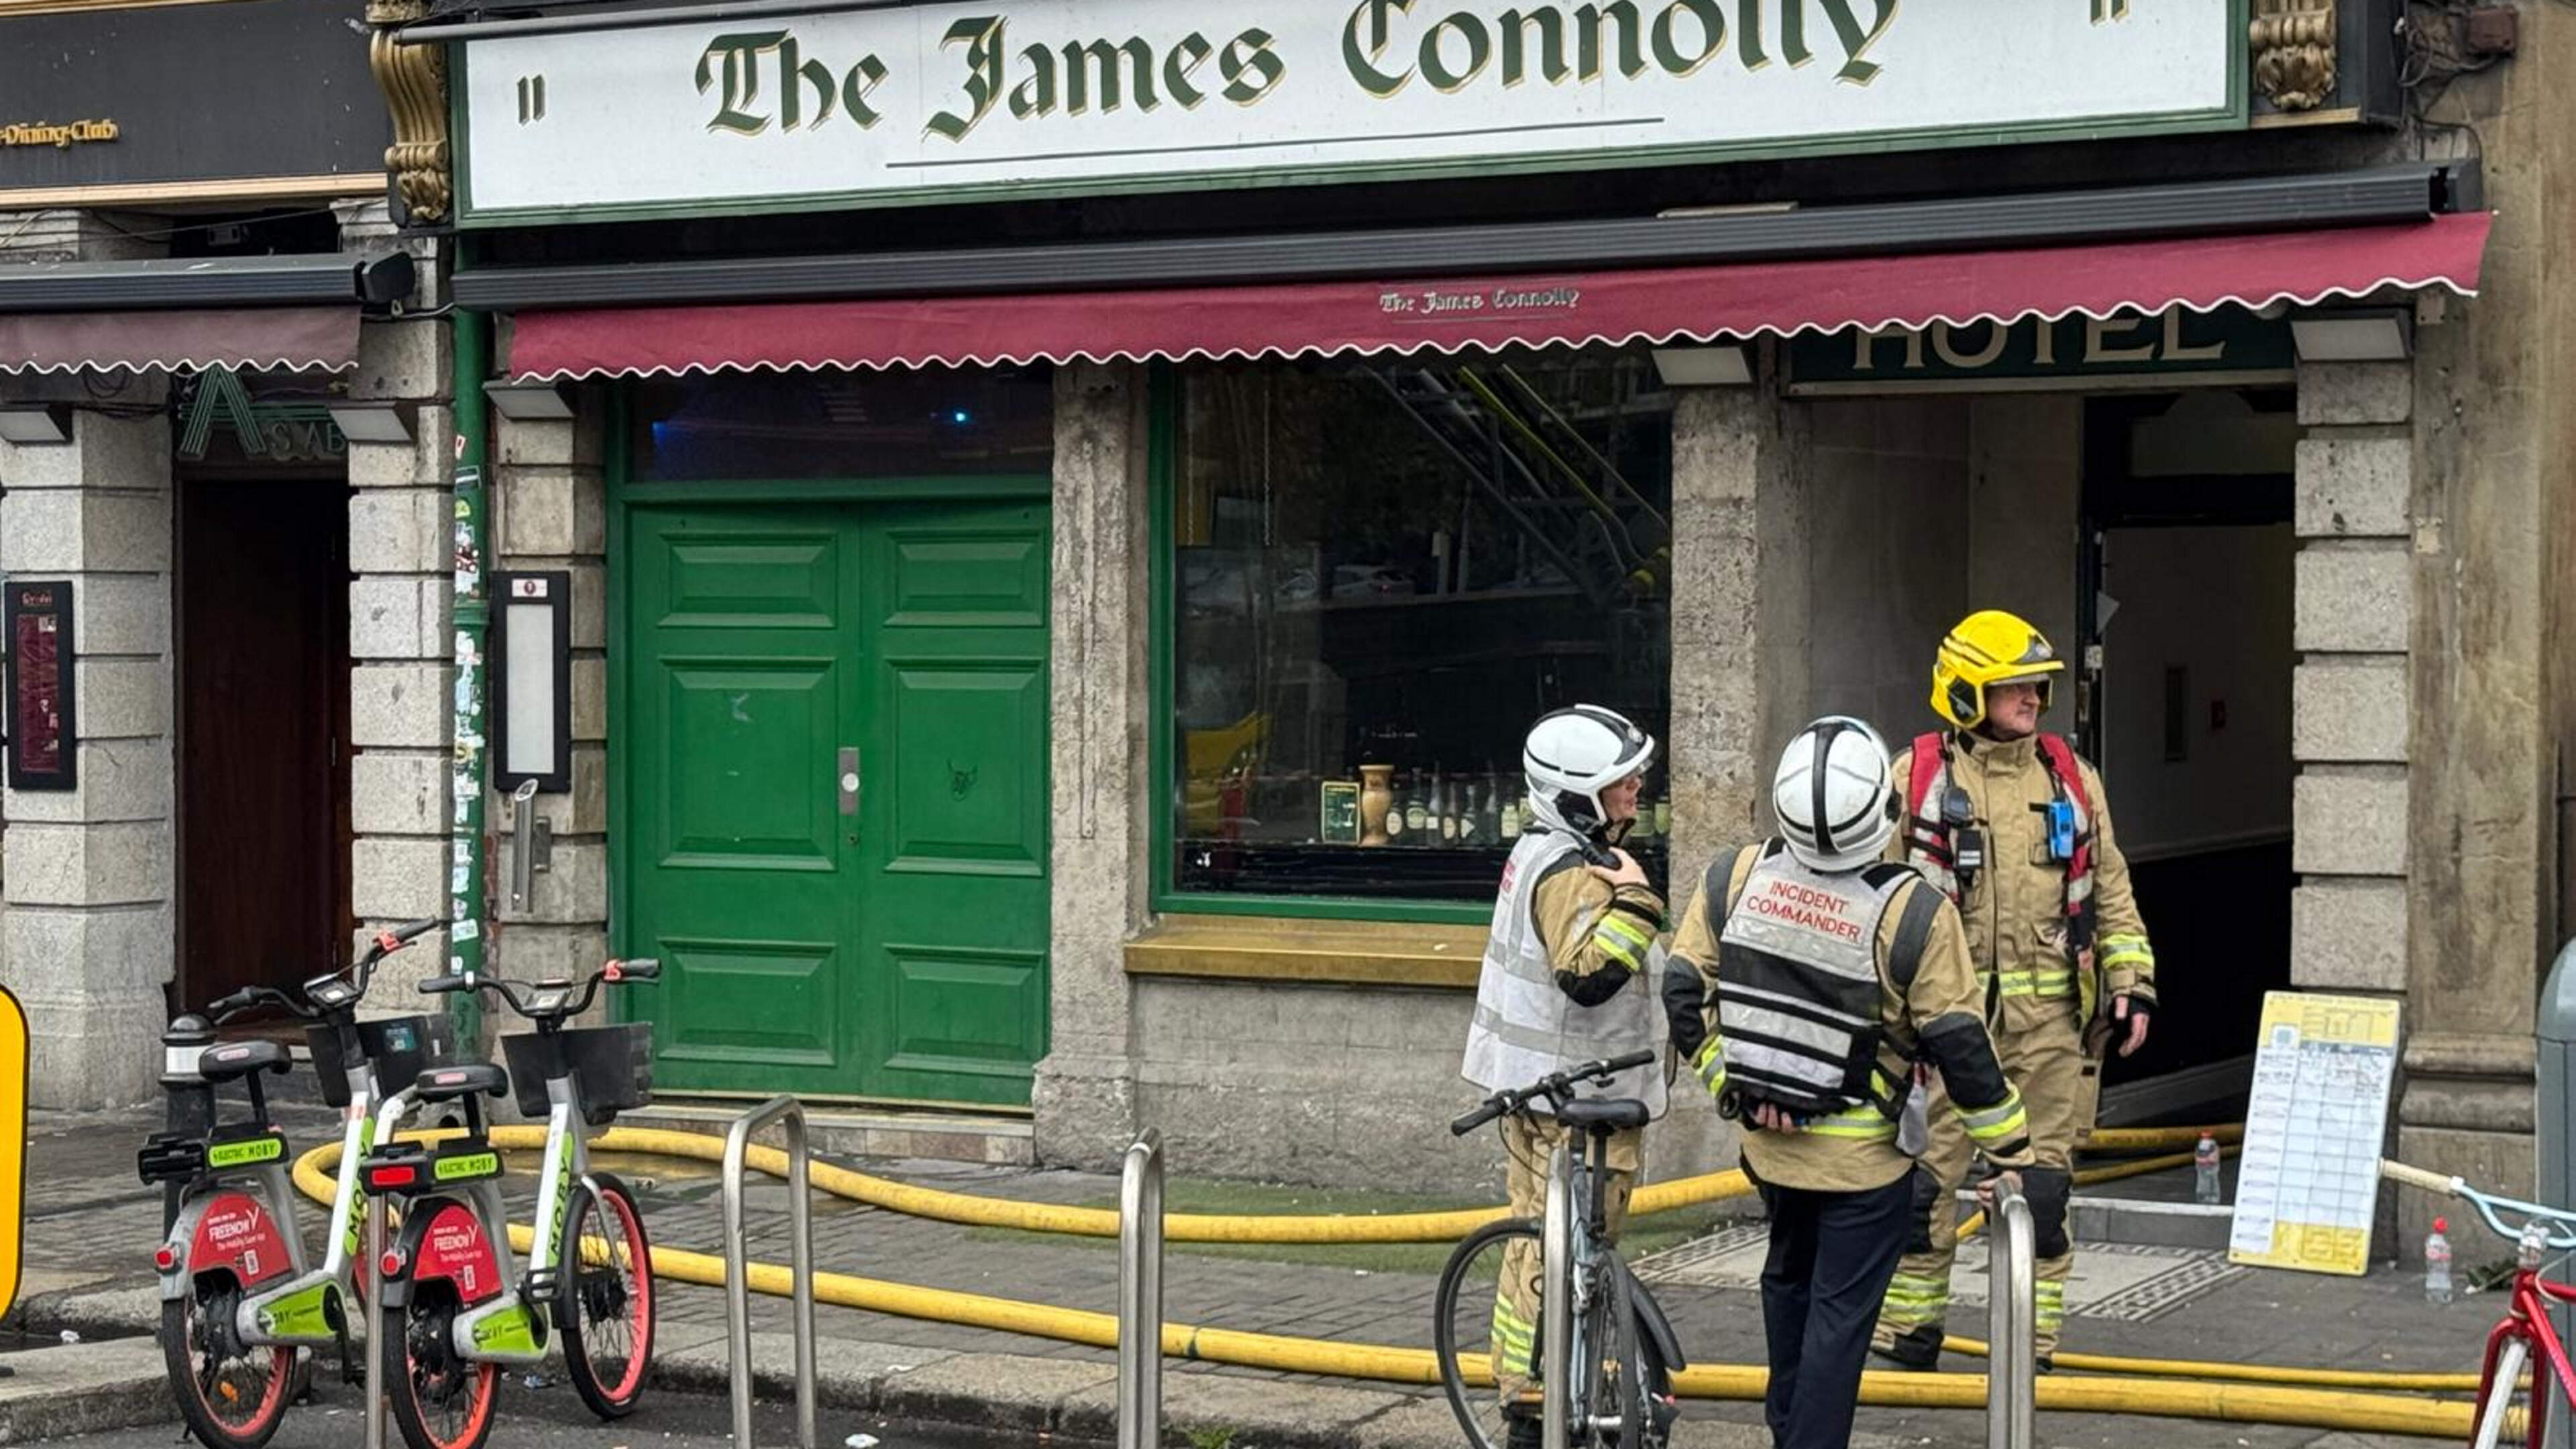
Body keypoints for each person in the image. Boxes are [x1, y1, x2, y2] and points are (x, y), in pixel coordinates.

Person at [1663, 716, 2032, 1449]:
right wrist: (2015, 1153)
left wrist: (1728, 1085)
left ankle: (1787, 1433)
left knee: (1788, 1290)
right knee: (1838, 1325)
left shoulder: (1734, 877)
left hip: (1768, 1152)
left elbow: (1681, 989)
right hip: (1866, 1173)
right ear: (1885, 813)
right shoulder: (1915, 911)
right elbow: (1961, 1048)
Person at [1870, 609, 2157, 1373]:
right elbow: (1872, 902)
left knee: (2044, 1196)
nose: (2032, 697)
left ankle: (2031, 1349)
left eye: (2038, 684)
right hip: (1943, 1035)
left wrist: (2131, 984)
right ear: (1966, 693)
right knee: (1920, 1198)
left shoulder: (2070, 777)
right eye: (2013, 686)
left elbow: (2113, 893)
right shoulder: (1915, 779)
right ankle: (1911, 1336)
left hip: (2050, 1034)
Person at [1460, 703, 1668, 1444]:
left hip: (1541, 1088)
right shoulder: (1576, 875)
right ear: (1577, 797)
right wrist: (1641, 899)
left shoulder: (1544, 850)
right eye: (1619, 783)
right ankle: (1536, 1399)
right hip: (1574, 1100)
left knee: (1537, 1244)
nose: (1636, 789)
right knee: (1562, 1251)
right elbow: (1586, 975)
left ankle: (1532, 1393)